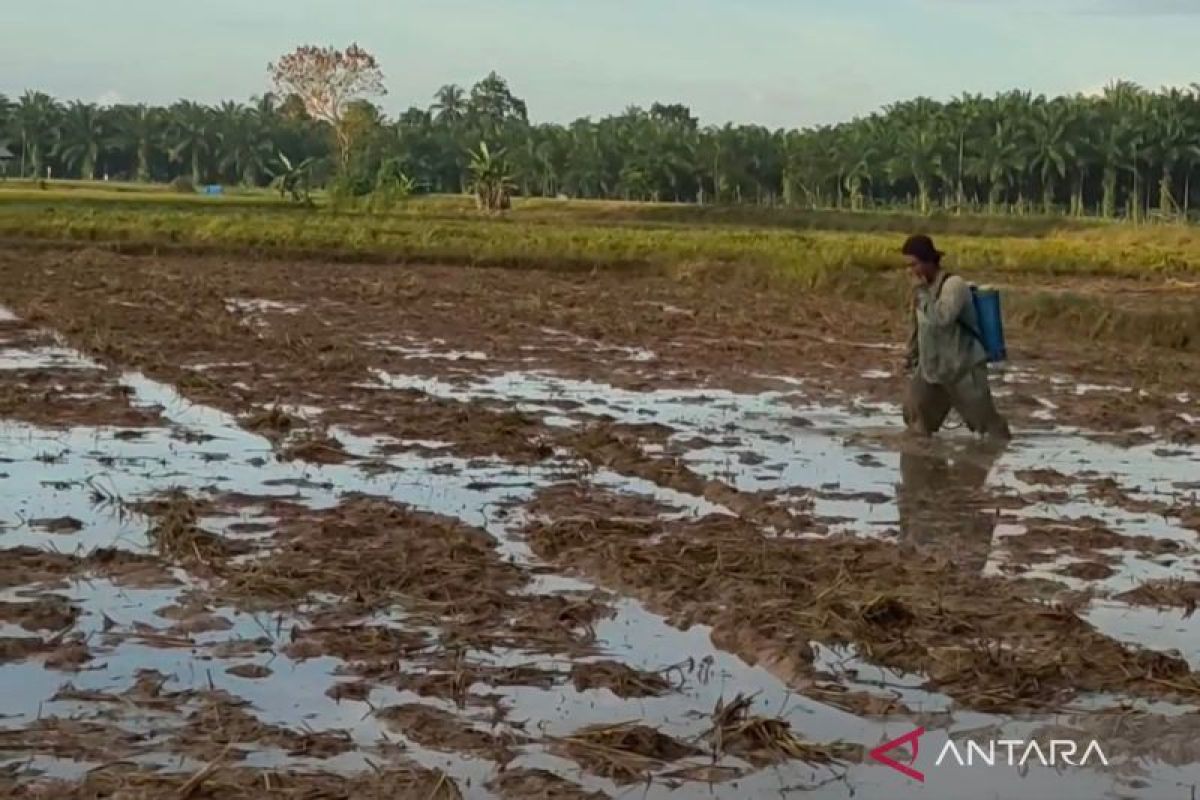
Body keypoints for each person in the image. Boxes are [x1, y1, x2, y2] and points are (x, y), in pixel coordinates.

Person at [901, 234, 1010, 440]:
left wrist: (922, 293)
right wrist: (910, 355)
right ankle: (922, 464)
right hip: (931, 368)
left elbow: (942, 318)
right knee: (915, 414)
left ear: (928, 261)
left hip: (962, 369)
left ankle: (1004, 453)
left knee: (987, 425)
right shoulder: (921, 291)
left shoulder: (954, 285)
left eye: (913, 264)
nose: (910, 271)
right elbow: (917, 326)